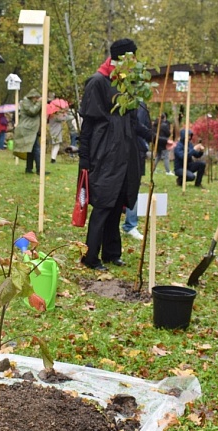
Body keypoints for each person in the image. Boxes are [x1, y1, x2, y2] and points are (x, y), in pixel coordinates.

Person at [78, 38, 142, 271]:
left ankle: (111, 253)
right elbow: (87, 126)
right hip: (103, 154)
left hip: (124, 153)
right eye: (132, 56)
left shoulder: (127, 83)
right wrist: (84, 158)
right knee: (104, 204)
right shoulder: (97, 82)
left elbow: (132, 121)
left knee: (117, 203)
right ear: (123, 57)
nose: (135, 60)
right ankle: (91, 256)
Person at [122, 101, 153, 241]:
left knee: (133, 188)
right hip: (126, 152)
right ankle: (128, 224)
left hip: (137, 152)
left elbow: (142, 127)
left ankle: (130, 224)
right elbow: (136, 126)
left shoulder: (141, 104)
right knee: (126, 188)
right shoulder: (129, 102)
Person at [14, 89, 42, 174]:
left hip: (31, 129)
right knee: (36, 149)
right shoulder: (26, 102)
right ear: (32, 97)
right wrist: (39, 103)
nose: (37, 100)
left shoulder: (29, 102)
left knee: (31, 149)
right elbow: (32, 111)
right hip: (28, 129)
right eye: (36, 98)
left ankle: (29, 168)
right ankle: (39, 169)